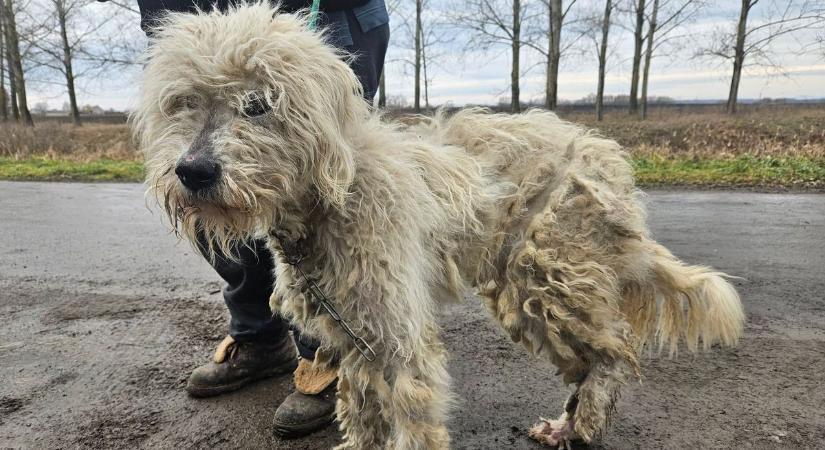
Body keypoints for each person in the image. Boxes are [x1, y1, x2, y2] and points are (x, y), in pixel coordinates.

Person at [130, 0, 389, 438]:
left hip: (321, 19)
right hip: (193, 24)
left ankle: (325, 352)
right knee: (204, 194)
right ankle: (261, 337)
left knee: (324, 197)